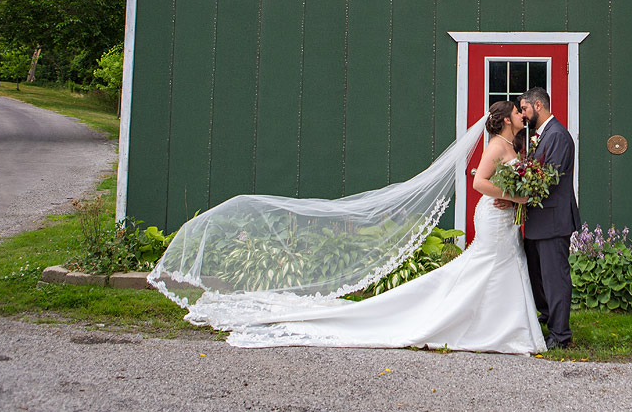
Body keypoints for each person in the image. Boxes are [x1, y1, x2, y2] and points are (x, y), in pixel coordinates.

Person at [222, 101, 546, 354]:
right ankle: (488, 328)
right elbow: (478, 182)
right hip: (493, 216)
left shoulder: (512, 147)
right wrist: (515, 197)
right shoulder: (495, 147)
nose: (522, 114)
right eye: (518, 111)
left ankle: (500, 328)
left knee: (499, 267)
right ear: (506, 119)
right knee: (488, 266)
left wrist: (519, 196)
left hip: (504, 219)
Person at [515, 86, 580, 349]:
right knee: (539, 277)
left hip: (553, 221)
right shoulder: (542, 135)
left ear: (538, 105)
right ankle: (547, 319)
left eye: (524, 108)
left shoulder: (558, 136)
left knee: (555, 279)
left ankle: (560, 335)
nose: (522, 114)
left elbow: (547, 179)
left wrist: (514, 193)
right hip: (538, 222)